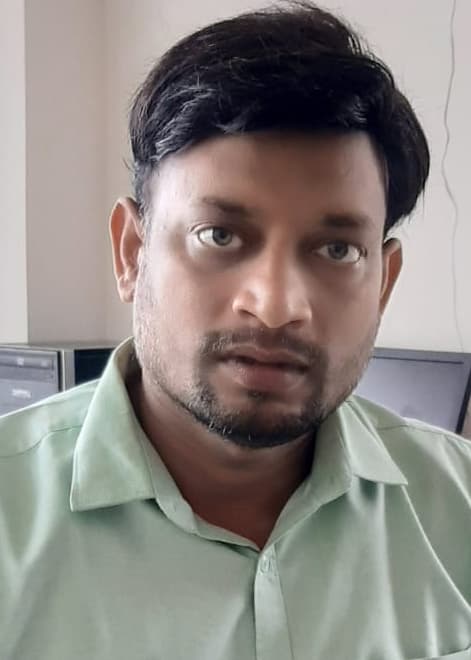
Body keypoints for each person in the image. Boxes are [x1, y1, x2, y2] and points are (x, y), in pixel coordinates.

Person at [1, 2, 470, 659]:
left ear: (383, 283)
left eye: (337, 250)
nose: (275, 307)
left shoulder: (458, 509)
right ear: (131, 253)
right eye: (218, 235)